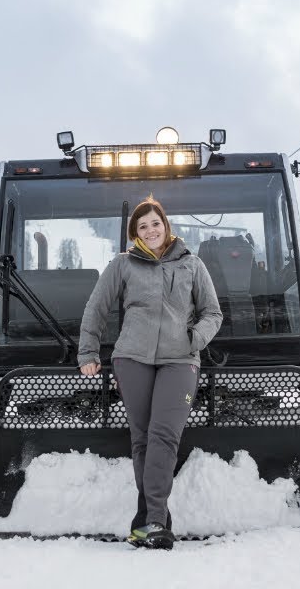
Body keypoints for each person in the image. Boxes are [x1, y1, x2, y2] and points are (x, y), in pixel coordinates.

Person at [77, 195, 222, 550]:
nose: (151, 230)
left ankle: (152, 518)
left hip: (180, 361)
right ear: (135, 234)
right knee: (142, 439)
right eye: (143, 226)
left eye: (155, 223)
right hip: (132, 359)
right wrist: (88, 352)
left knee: (164, 435)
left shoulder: (192, 265)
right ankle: (152, 521)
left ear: (165, 225)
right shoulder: (123, 265)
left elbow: (212, 313)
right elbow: (96, 307)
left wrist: (194, 339)